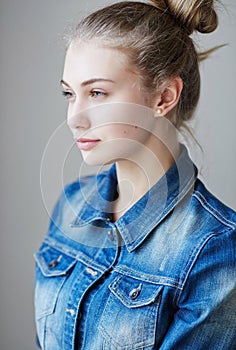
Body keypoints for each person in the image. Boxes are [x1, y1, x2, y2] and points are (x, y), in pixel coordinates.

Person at [34, 1, 236, 349]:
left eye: (97, 93)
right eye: (70, 94)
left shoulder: (215, 248)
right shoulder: (70, 205)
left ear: (164, 96)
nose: (73, 118)